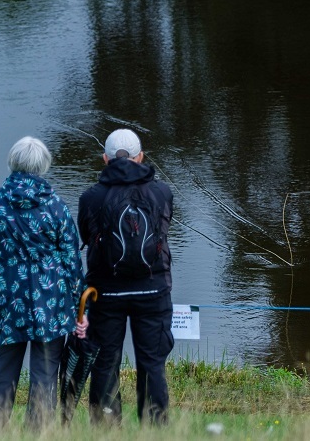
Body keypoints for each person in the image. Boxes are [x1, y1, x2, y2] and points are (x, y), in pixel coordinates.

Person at [0, 136, 87, 429]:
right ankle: (39, 434)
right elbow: (72, 263)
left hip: (7, 305)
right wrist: (76, 305)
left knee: (1, 374)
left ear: (13, 162)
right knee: (45, 377)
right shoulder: (56, 207)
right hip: (51, 307)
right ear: (43, 166)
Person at [79, 128, 174, 426]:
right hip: (153, 290)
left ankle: (107, 427)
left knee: (105, 362)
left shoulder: (91, 197)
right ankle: (155, 426)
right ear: (140, 157)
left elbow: (86, 235)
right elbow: (163, 231)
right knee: (152, 363)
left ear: (105, 159)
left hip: (106, 293)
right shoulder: (162, 192)